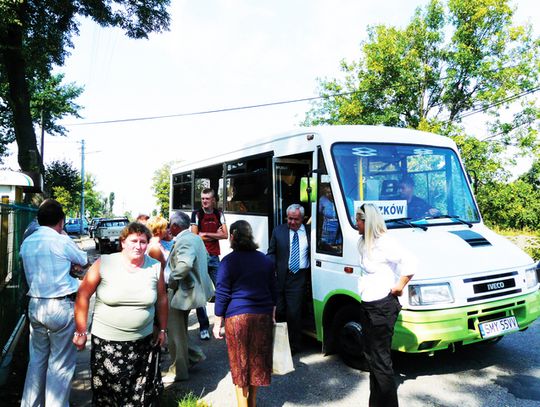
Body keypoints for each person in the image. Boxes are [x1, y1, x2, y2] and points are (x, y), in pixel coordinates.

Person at [73, 222, 168, 406]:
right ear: (123, 242)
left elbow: (162, 299)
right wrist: (81, 331)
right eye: (133, 241)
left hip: (143, 344)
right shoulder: (105, 263)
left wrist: (162, 329)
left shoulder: (155, 267)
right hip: (107, 345)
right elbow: (83, 295)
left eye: (142, 242)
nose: (138, 246)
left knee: (138, 395)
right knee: (108, 396)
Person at [20, 199, 89, 407]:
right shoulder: (61, 240)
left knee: (37, 361)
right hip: (60, 306)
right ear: (61, 222)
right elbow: (83, 260)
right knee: (60, 365)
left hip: (35, 305)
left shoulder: (27, 242)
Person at [356, 203, 416, 407]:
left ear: (368, 221)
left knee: (381, 362)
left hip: (382, 306)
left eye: (358, 220)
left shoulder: (385, 242)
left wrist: (399, 286)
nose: (356, 224)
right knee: (371, 359)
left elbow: (411, 263)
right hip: (368, 304)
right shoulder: (364, 242)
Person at [213, 220, 277, 407]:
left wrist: (218, 322)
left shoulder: (228, 261)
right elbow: (274, 290)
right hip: (262, 317)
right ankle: (253, 403)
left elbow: (222, 293)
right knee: (256, 366)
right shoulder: (265, 260)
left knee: (240, 366)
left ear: (232, 236)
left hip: (237, 319)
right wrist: (272, 314)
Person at [162, 211, 214, 383]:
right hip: (190, 291)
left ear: (176, 226)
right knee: (180, 331)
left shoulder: (184, 240)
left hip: (181, 292)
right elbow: (204, 258)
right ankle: (193, 356)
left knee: (175, 333)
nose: (169, 228)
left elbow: (184, 265)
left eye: (170, 225)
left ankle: (179, 371)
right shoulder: (195, 238)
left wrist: (171, 281)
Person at [267, 203, 309, 354]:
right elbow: (271, 252)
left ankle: (294, 346)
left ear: (302, 219)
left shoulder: (310, 232)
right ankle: (278, 343)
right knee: (279, 310)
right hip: (280, 276)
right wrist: (271, 269)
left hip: (298, 277)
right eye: (289, 219)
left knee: (294, 312)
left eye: (296, 219)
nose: (292, 222)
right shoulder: (278, 231)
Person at [191, 187, 228, 340]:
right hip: (200, 256)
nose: (204, 201)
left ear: (213, 200)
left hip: (214, 257)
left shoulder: (219, 213)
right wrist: (215, 235)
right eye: (203, 198)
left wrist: (205, 234)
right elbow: (194, 236)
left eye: (207, 199)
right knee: (200, 293)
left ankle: (222, 323)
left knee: (222, 289)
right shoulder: (196, 214)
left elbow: (225, 235)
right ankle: (204, 327)